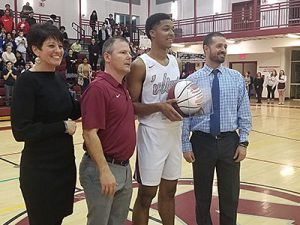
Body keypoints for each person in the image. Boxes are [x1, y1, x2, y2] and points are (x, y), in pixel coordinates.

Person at [10, 23, 81, 225]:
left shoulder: (58, 78)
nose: (58, 51)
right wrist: (62, 127)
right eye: (51, 46)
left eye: (60, 45)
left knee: (56, 219)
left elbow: (73, 110)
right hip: (40, 170)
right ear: (35, 49)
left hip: (64, 165)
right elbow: (21, 131)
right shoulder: (26, 81)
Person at [181, 32, 252, 225]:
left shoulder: (236, 78)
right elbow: (186, 115)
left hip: (230, 142)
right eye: (219, 46)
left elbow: (244, 112)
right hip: (202, 142)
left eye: (225, 46)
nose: (223, 50)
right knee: (202, 196)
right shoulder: (192, 80)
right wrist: (185, 144)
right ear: (206, 49)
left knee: (230, 195)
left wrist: (243, 141)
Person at [127, 13, 183, 225]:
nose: (172, 33)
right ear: (152, 33)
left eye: (172, 28)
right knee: (146, 194)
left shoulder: (175, 62)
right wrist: (158, 106)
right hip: (151, 134)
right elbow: (130, 106)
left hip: (174, 133)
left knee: (170, 191)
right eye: (166, 29)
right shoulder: (140, 64)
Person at [79, 36, 136, 225]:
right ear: (107, 57)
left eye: (129, 53)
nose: (129, 56)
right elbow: (89, 133)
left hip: (123, 168)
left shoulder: (122, 87)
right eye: (123, 52)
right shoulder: (98, 88)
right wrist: (104, 171)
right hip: (102, 168)